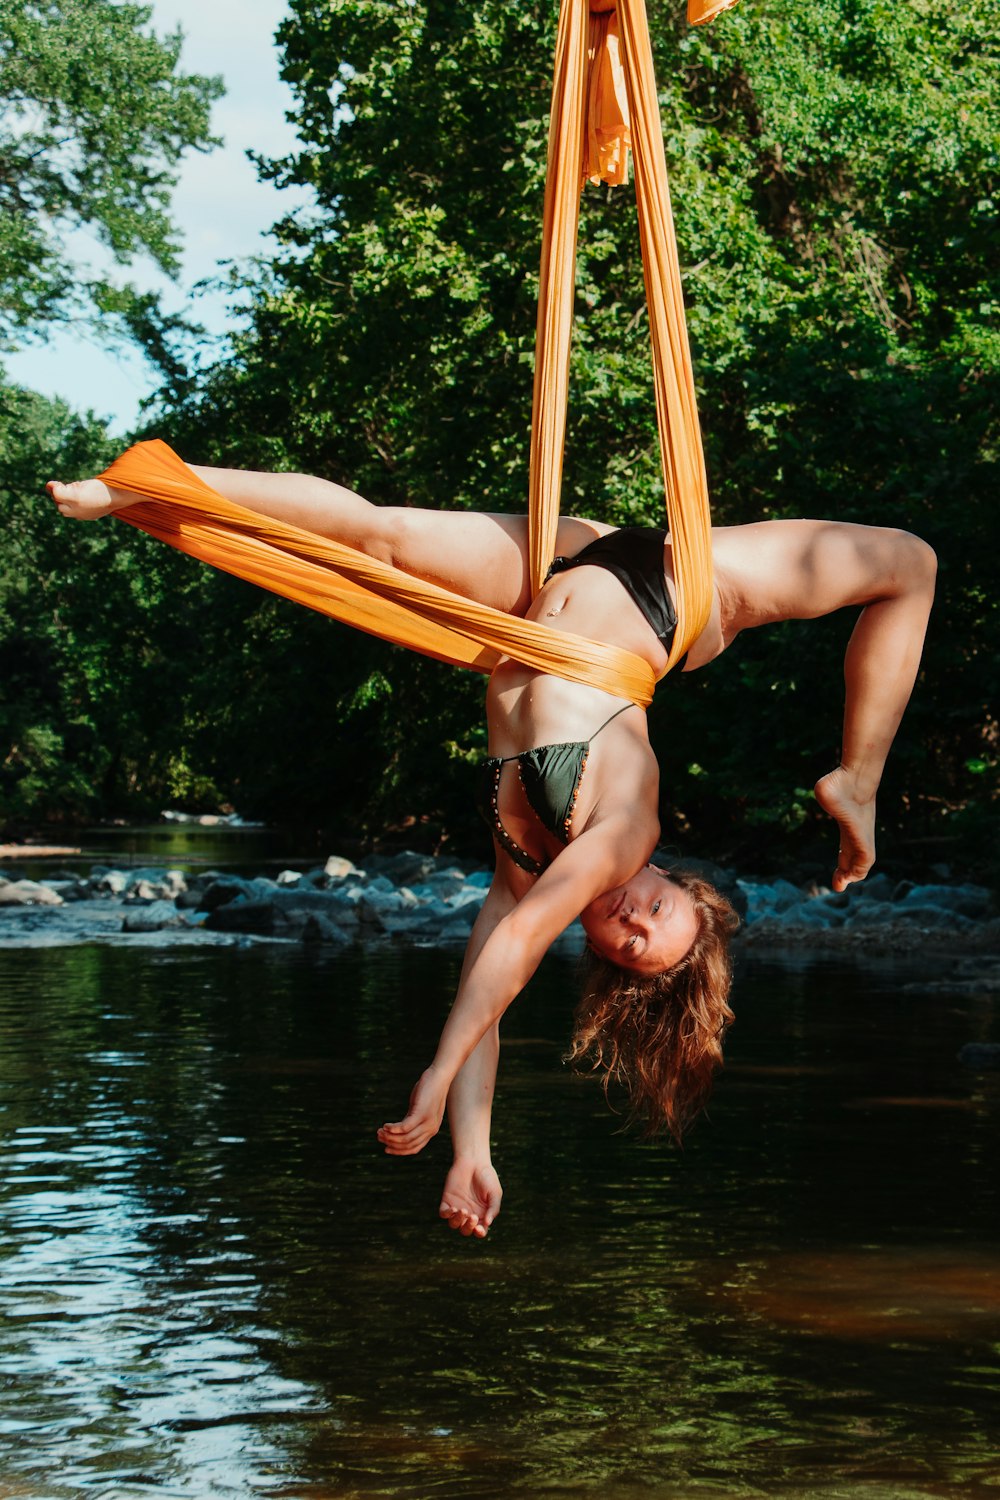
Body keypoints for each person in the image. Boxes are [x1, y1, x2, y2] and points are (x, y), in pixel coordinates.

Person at [48, 464, 936, 1237]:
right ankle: (857, 780)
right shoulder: (628, 830)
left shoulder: (526, 865)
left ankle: (142, 494)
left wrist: (470, 1148)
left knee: (379, 538)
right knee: (910, 565)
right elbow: (513, 953)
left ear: (596, 951)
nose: (630, 916)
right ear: (684, 887)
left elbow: (492, 1000)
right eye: (656, 916)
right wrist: (432, 1074)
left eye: (625, 942)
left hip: (538, 600)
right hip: (674, 590)